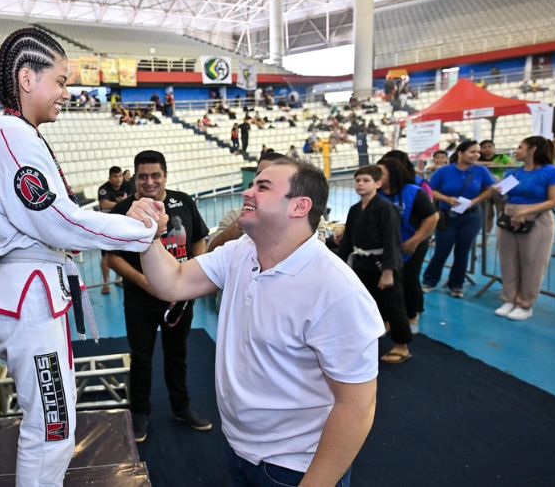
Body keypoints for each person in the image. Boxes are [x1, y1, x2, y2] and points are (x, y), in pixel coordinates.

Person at [0, 28, 159, 487]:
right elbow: (61, 221)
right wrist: (136, 229)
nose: (66, 92)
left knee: (55, 423)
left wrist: (121, 220)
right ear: (26, 78)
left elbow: (61, 219)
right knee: (52, 427)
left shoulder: (22, 139)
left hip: (36, 292)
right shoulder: (17, 143)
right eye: (59, 80)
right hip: (30, 298)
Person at [129, 158, 384, 486]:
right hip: (238, 449)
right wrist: (149, 237)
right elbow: (173, 282)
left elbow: (356, 407)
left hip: (293, 469)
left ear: (299, 206)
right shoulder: (241, 252)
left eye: (262, 187)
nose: (247, 192)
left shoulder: (336, 291)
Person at [107, 151, 210, 443]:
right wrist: (147, 283)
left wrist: (189, 276)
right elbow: (113, 258)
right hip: (140, 300)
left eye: (155, 175)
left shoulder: (183, 201)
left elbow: (199, 239)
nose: (149, 181)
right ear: (135, 178)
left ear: (165, 175)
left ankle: (181, 407)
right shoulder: (123, 210)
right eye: (143, 176)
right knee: (141, 358)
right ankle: (139, 413)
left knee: (178, 355)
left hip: (179, 300)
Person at [337, 165, 412, 363]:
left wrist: (388, 272)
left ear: (378, 184)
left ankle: (401, 345)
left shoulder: (386, 208)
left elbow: (392, 241)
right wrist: (338, 264)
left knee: (393, 305)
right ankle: (366, 337)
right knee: (362, 303)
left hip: (382, 263)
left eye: (366, 180)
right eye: (358, 180)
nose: (360, 184)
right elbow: (348, 241)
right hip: (361, 262)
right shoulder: (354, 210)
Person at [493, 136, 555, 321]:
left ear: (532, 150)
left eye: (520, 147)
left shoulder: (552, 172)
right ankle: (509, 298)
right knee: (508, 261)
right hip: (509, 219)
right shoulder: (513, 173)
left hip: (537, 220)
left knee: (532, 263)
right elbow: (503, 197)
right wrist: (498, 193)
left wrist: (527, 211)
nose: (516, 151)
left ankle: (525, 303)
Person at [422, 141, 496, 297]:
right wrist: (447, 199)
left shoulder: (481, 171)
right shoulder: (444, 172)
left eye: (478, 152)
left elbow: (489, 189)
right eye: (472, 152)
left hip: (471, 217)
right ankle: (429, 281)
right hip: (448, 216)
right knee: (442, 250)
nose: (476, 155)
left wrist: (475, 202)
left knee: (463, 252)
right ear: (460, 153)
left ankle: (456, 284)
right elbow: (430, 190)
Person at [377, 158, 439, 335]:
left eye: (381, 173)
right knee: (388, 283)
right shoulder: (376, 193)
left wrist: (415, 240)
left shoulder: (414, 192)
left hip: (412, 244)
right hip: (388, 246)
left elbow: (432, 217)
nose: (377, 177)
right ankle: (388, 317)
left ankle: (412, 315)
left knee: (409, 280)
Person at [208, 153, 287, 252]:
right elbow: (211, 253)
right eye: (259, 177)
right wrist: (240, 225)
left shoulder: (295, 222)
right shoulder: (235, 217)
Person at [97, 166, 134, 294]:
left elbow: (135, 199)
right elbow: (104, 204)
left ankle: (119, 279)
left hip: (124, 225)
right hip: (107, 226)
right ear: (110, 177)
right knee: (106, 255)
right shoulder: (104, 189)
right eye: (115, 176)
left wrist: (118, 204)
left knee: (123, 253)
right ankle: (106, 282)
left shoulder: (129, 186)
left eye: (120, 176)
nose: (118, 179)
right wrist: (124, 203)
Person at [478, 139, 513, 233]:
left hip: (500, 188)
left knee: (503, 211)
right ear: (480, 149)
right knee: (488, 213)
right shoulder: (477, 158)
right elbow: (473, 163)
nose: (487, 149)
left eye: (489, 146)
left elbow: (513, 165)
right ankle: (487, 236)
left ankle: (504, 232)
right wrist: (489, 164)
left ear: (494, 148)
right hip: (484, 189)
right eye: (484, 147)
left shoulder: (502, 157)